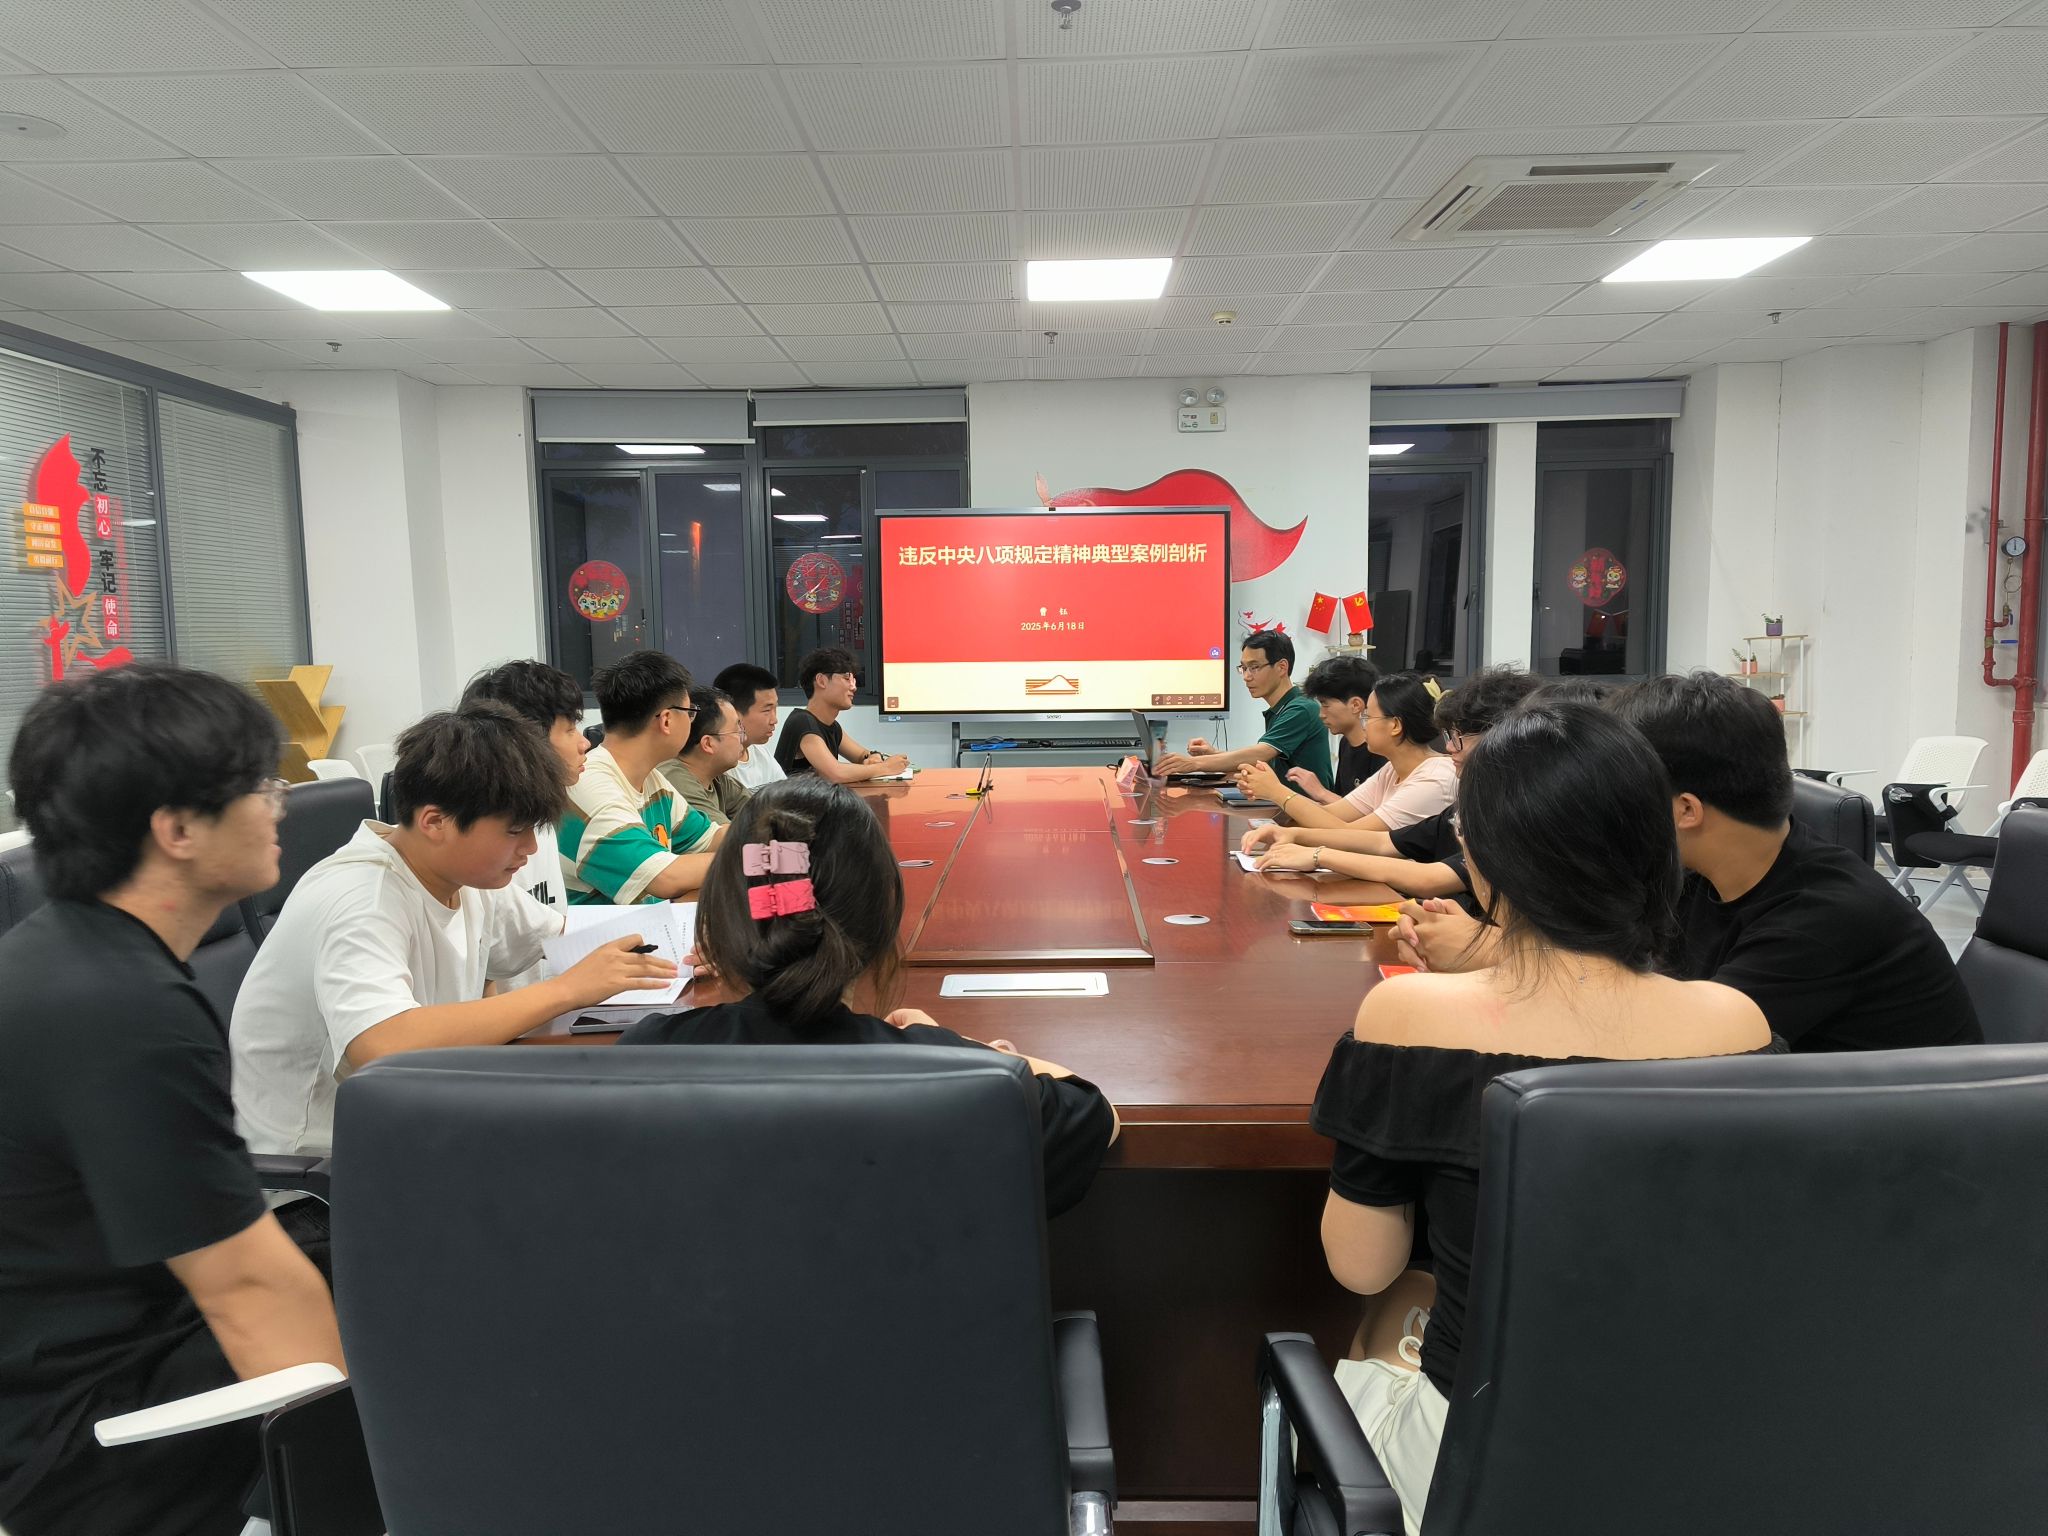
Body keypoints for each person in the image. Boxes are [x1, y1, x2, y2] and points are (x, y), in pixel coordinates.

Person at [1310, 701, 1775, 1536]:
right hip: (1695, 1455)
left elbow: (1362, 1265)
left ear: (1483, 857)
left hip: (1481, 1460)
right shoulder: (1736, 1023)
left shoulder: (1408, 1018)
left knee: (1385, 1314)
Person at [0, 664, 342, 1536]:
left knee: (378, 1247)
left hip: (94, 1339)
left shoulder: (71, 955)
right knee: (413, 1315)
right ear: (178, 829)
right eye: (261, 787)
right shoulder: (122, 1012)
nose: (278, 807)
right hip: (77, 1437)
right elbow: (247, 1292)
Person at [232, 706, 675, 1228]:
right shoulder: (361, 899)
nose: (530, 849)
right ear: (435, 822)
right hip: (319, 1185)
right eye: (515, 832)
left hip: (412, 1128)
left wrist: (677, 945)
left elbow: (561, 938)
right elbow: (383, 1045)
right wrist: (566, 991)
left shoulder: (464, 875)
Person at [622, 776, 1118, 1216]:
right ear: (882, 917)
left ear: (720, 918)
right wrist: (968, 1050)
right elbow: (1098, 1113)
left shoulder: (646, 1056)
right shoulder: (951, 1078)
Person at [1610, 671, 1981, 1051]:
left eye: (1624, 796)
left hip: (1899, 1091)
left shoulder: (1821, 920)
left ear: (1686, 810)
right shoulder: (1709, 872)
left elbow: (1674, 1050)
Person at [1243, 667, 1539, 902]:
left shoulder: (1439, 780)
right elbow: (1383, 842)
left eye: (1368, 716)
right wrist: (1293, 835)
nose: (1450, 748)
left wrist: (1281, 797)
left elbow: (1428, 877)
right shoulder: (1468, 804)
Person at [564, 651, 726, 903]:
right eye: (690, 712)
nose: (691, 721)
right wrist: (757, 860)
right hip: (608, 929)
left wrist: (774, 838)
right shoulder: (591, 785)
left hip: (647, 922)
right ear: (667, 720)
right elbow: (666, 877)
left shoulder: (652, 780)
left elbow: (710, 839)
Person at [1238, 672, 1454, 831]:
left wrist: (1277, 792)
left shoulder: (1433, 779)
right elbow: (1332, 814)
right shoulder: (1391, 770)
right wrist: (1270, 791)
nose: (1363, 724)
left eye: (1368, 716)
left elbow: (1349, 834)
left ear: (1395, 725)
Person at [458, 658, 589, 911]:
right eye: (570, 730)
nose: (584, 744)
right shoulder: (478, 846)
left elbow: (551, 926)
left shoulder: (541, 809)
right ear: (528, 741)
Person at [1151, 630, 1333, 787]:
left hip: (1308, 809)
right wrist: (1213, 754)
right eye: (1243, 668)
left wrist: (1194, 764)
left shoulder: (1301, 708)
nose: (1246, 676)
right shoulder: (1281, 708)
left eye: (1254, 667)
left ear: (1281, 667)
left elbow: (1261, 753)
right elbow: (1259, 764)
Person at [773, 647, 907, 783]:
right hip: (790, 797)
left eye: (854, 681)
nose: (853, 687)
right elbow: (835, 773)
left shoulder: (833, 727)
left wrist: (874, 757)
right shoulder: (802, 722)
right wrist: (885, 767)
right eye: (847, 679)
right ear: (821, 681)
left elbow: (861, 755)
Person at [1288, 653, 1385, 801]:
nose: (1321, 714)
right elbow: (1340, 803)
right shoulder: (1345, 744)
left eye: (1326, 705)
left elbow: (1371, 813)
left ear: (1355, 705)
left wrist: (1320, 792)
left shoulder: (1381, 751)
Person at [658, 685, 749, 828]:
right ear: (708, 744)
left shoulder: (717, 778)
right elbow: (725, 837)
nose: (744, 737)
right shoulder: (675, 780)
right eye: (737, 731)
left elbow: (762, 813)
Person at [716, 662, 786, 791]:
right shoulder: (718, 764)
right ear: (732, 712)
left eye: (775, 708)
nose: (774, 720)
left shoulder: (761, 753)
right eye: (767, 710)